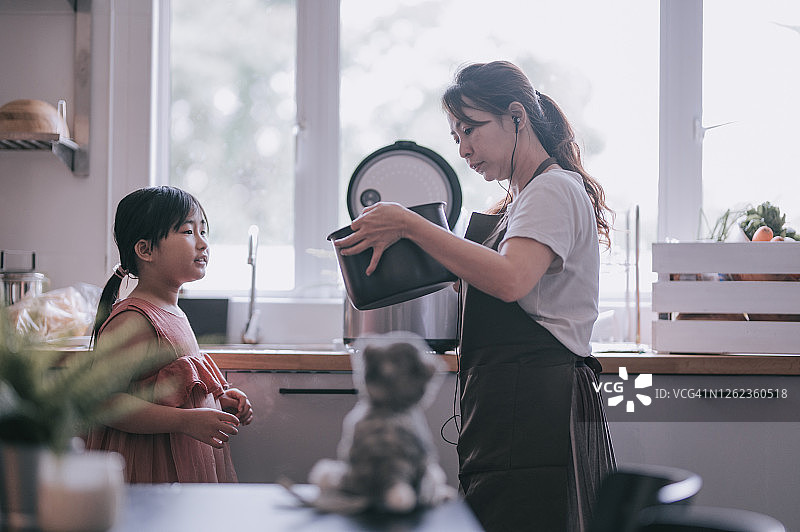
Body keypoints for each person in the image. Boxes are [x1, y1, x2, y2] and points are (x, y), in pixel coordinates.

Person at [334, 61, 615, 531]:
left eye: (471, 131)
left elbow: (510, 281)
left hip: (536, 414)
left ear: (517, 117)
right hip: (513, 408)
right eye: (456, 137)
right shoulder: (519, 202)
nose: (464, 149)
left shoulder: (551, 190)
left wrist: (409, 223)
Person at [86, 185, 254, 483]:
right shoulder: (133, 320)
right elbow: (104, 403)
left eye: (203, 232)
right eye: (188, 232)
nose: (203, 244)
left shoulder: (174, 312)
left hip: (180, 462)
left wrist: (216, 402)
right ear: (145, 250)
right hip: (147, 467)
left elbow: (174, 389)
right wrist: (185, 421)